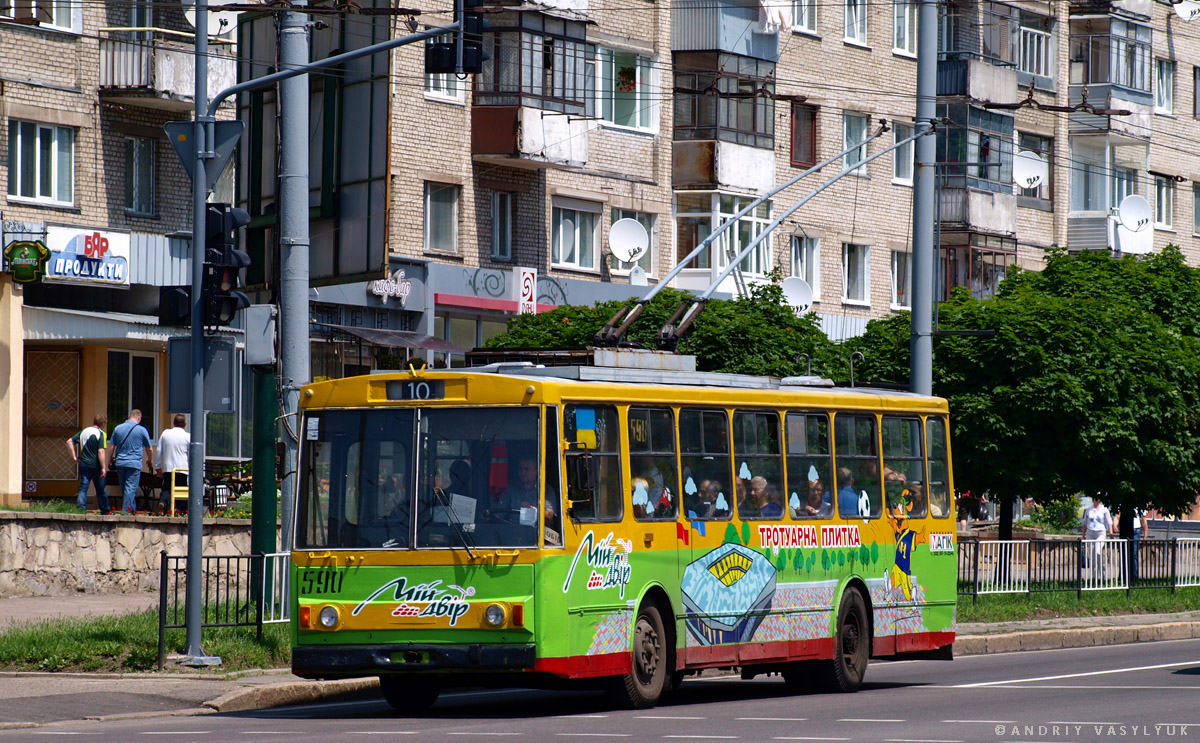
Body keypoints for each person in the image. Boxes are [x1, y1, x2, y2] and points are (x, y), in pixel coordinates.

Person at [495, 457, 560, 543]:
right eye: (520, 469)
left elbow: (549, 517)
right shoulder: (511, 489)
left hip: (538, 541)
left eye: (526, 469)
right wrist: (490, 517)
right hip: (512, 540)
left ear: (537, 470)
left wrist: (532, 509)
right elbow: (499, 514)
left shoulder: (546, 490)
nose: (522, 473)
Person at [108, 410, 154, 515]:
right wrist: (150, 460)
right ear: (139, 418)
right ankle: (126, 513)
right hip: (134, 463)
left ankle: (132, 510)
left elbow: (111, 446)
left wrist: (109, 461)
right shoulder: (142, 430)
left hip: (120, 463)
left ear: (129, 416)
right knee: (130, 488)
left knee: (125, 488)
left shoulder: (118, 428)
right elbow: (149, 448)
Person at [67, 414, 110, 514]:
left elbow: (69, 441)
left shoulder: (84, 431)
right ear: (103, 424)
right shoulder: (101, 434)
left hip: (84, 464)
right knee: (100, 489)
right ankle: (105, 509)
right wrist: (103, 467)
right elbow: (101, 451)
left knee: (83, 487)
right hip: (96, 465)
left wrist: (74, 456)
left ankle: (81, 509)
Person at [155, 414, 190, 513]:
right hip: (183, 469)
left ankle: (163, 503)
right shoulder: (187, 436)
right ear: (185, 424)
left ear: (173, 423)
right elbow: (191, 455)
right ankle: (181, 511)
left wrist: (158, 466)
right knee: (181, 491)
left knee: (167, 488)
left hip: (168, 468)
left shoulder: (165, 433)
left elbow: (158, 451)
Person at [1082, 495, 1114, 582]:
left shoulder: (1104, 509)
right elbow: (1085, 523)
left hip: (1100, 533)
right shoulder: (1088, 510)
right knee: (1092, 555)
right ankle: (1093, 576)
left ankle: (1103, 573)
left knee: (1097, 551)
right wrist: (1083, 535)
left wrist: (1111, 534)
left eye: (1098, 499)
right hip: (1090, 533)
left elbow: (1109, 522)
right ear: (1093, 500)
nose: (1097, 501)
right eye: (1095, 499)